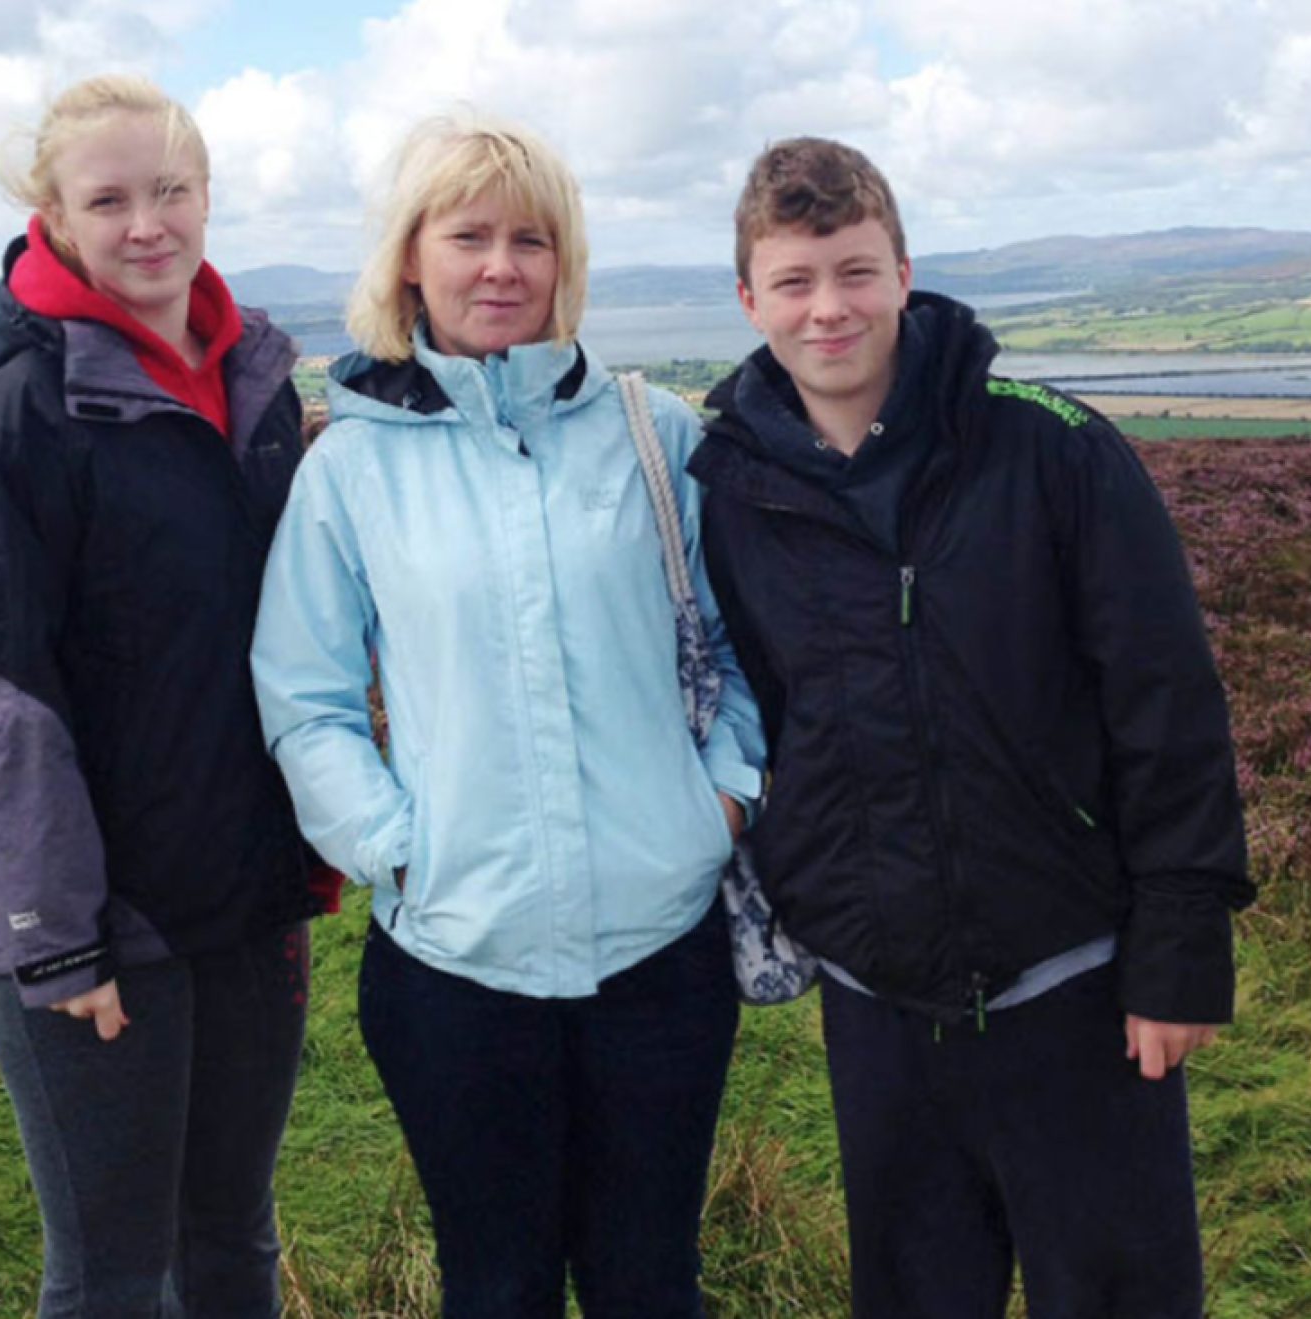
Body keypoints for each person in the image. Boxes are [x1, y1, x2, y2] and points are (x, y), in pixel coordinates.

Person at [687, 137, 1255, 1319]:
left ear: (905, 271)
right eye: (793, 281)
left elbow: (1167, 701)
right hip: (878, 997)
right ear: (749, 298)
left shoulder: (1050, 444)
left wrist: (1183, 944)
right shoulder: (731, 485)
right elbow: (745, 699)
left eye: (853, 271)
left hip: (1081, 983)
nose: (827, 308)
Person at [250, 112, 765, 1318]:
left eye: (530, 239)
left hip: (662, 951)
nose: (500, 266)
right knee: (497, 1288)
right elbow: (306, 697)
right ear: (410, 258)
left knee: (650, 1282)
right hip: (455, 966)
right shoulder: (350, 469)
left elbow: (742, 649)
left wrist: (723, 801)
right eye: (467, 234)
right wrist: (395, 846)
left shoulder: (659, 435)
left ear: (564, 262)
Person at [0, 75, 330, 1318]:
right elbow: (0, 693)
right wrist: (60, 935)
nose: (147, 223)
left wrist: (294, 875)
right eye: (110, 200)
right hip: (103, 922)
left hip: (245, 906)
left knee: (232, 1243)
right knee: (114, 1274)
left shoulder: (255, 386)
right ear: (53, 215)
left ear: (208, 196)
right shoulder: (25, 414)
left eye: (171, 192)